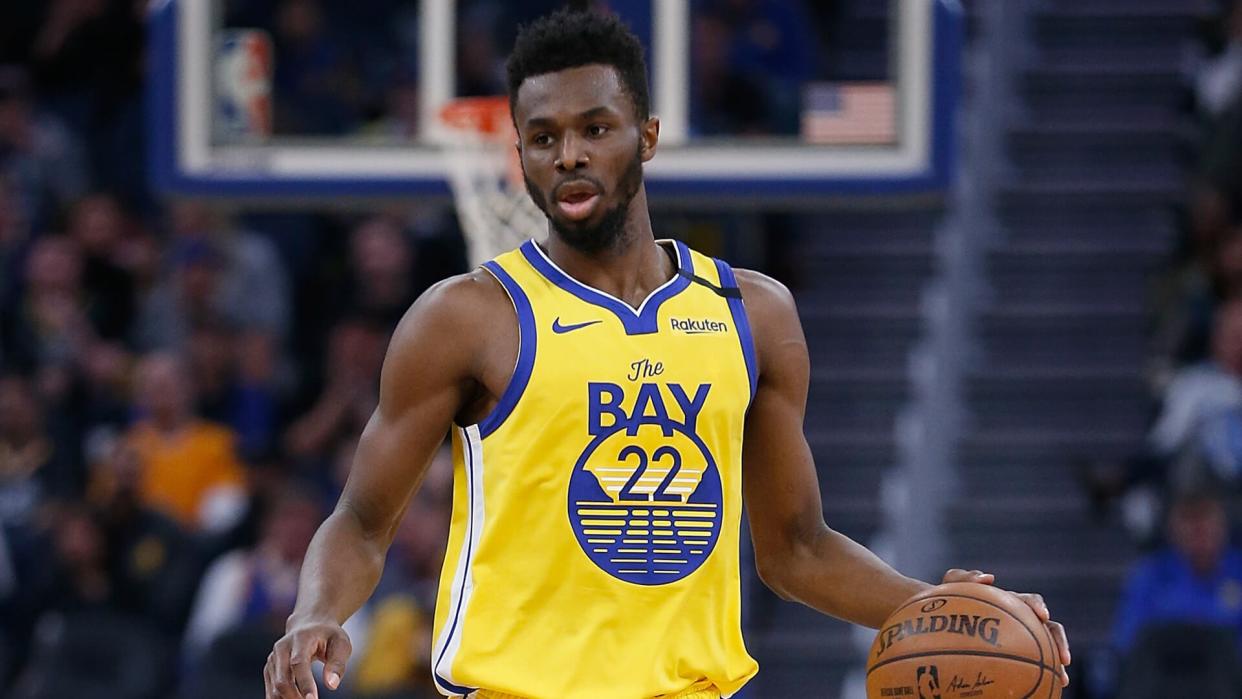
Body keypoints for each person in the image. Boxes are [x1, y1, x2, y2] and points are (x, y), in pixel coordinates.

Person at [264, 9, 1071, 699]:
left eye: (594, 129)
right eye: (542, 137)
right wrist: (315, 614)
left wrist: (935, 606)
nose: (568, 155)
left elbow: (795, 548)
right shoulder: (467, 317)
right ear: (520, 156)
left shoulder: (752, 313)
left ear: (646, 136)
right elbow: (363, 520)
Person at [1112, 489, 1242, 656]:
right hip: (1163, 676)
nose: (1199, 528)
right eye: (1189, 519)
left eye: (1205, 517)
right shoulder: (1149, 577)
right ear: (1173, 527)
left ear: (1222, 524)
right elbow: (1127, 642)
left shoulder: (1238, 571)